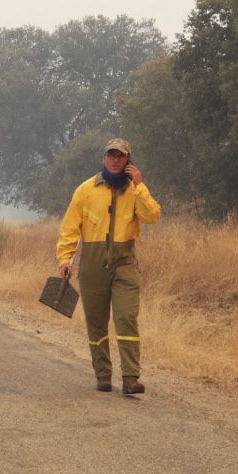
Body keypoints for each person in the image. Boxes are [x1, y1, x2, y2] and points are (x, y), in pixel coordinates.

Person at [55, 137, 161, 396]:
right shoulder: (85, 190)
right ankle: (103, 374)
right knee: (96, 321)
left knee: (126, 317)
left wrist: (140, 186)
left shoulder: (135, 190)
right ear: (104, 158)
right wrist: (65, 260)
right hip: (92, 263)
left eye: (120, 156)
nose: (115, 159)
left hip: (124, 261)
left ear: (128, 160)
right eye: (111, 155)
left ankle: (130, 377)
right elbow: (70, 229)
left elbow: (153, 216)